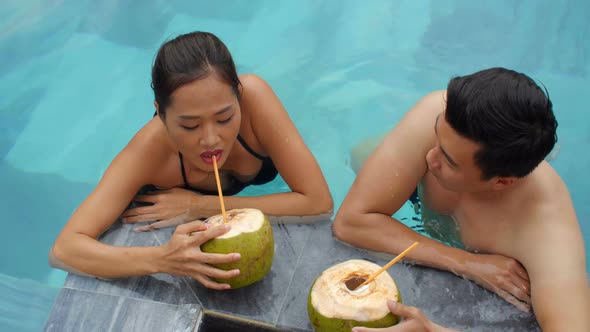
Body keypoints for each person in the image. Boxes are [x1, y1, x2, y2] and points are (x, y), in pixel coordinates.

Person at [50, 31, 333, 290]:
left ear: (239, 96)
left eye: (225, 118)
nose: (211, 139)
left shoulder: (255, 100)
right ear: (160, 113)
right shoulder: (149, 152)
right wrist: (162, 259)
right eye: (190, 126)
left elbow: (319, 202)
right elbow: (65, 249)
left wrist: (199, 206)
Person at [333, 68, 589, 331]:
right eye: (436, 135)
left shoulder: (546, 232)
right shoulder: (436, 112)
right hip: (424, 190)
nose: (430, 157)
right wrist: (467, 263)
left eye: (449, 160)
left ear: (501, 182)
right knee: (358, 155)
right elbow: (350, 222)